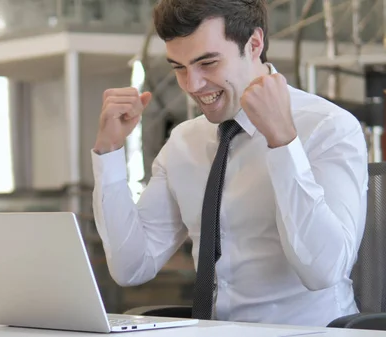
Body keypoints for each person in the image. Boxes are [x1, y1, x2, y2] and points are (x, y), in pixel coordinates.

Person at [90, 0, 368, 327]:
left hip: (311, 332)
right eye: (178, 67)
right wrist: (109, 151)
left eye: (207, 62)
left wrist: (283, 143)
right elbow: (131, 267)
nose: (191, 85)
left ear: (254, 43)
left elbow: (324, 271)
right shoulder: (183, 143)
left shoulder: (327, 127)